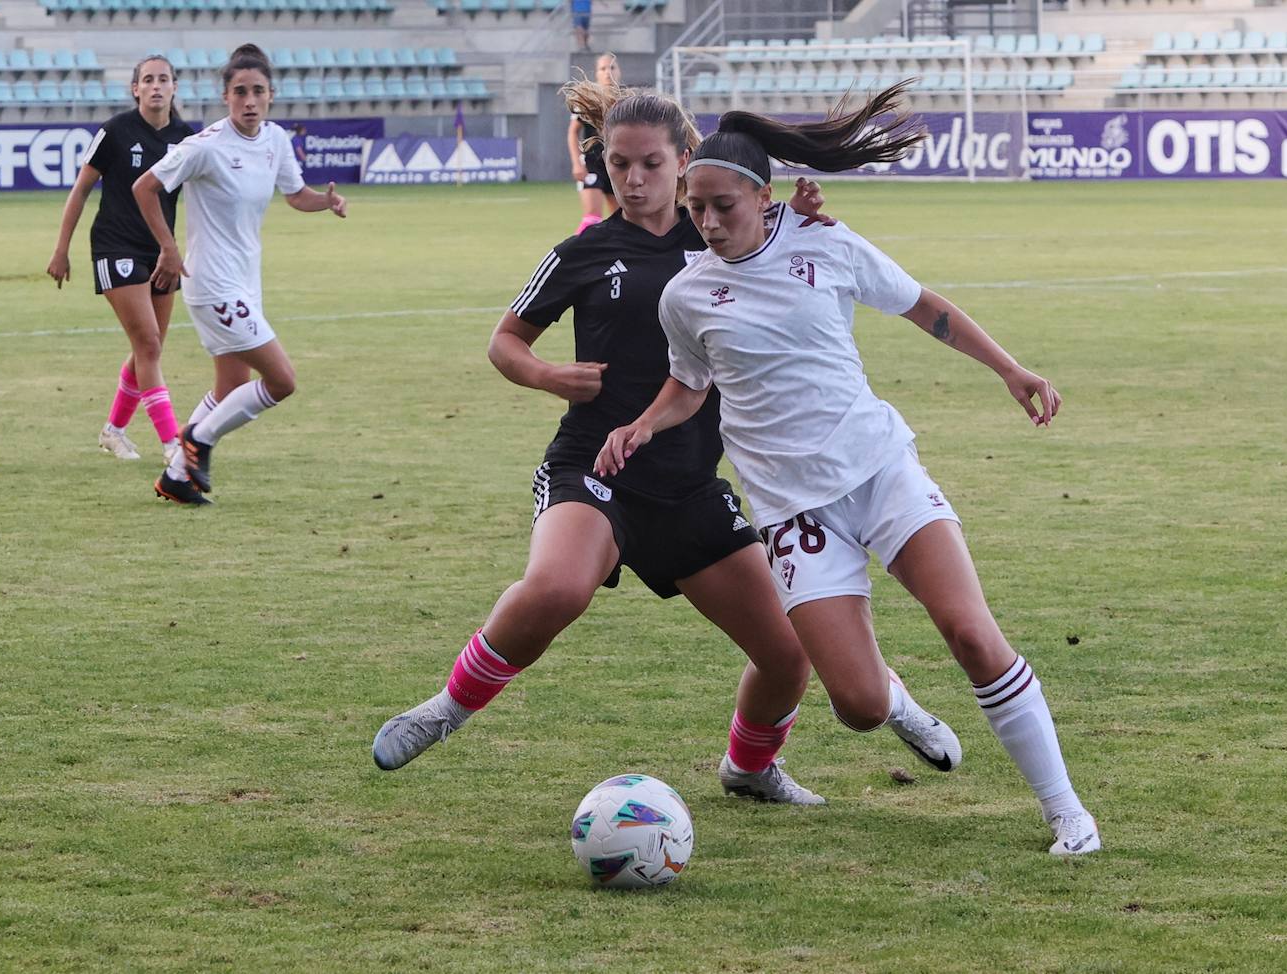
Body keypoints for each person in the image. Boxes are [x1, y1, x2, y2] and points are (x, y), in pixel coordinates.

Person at [372, 84, 961, 805]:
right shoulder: (582, 254)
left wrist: (804, 213)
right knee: (558, 586)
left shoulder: (720, 232)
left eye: (651, 163)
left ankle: (752, 768)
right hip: (595, 469)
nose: (634, 179)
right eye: (619, 164)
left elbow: (794, 243)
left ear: (685, 162)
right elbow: (505, 342)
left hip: (688, 485)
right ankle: (445, 710)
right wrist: (549, 374)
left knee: (788, 654)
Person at [594, 85, 1099, 855]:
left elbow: (923, 306)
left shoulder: (822, 240)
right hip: (793, 512)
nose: (709, 221)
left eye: (724, 205)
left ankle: (1066, 811)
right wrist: (642, 423)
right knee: (859, 706)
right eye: (697, 209)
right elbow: (690, 385)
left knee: (970, 632)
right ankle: (893, 697)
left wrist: (1011, 368)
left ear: (765, 199)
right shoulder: (687, 295)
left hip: (879, 469)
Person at [132, 44, 347, 505]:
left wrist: (325, 202)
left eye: (258, 92)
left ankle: (175, 477)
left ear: (271, 95)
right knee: (281, 380)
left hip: (246, 282)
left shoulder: (274, 139)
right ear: (225, 96)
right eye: (240, 92)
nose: (250, 101)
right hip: (211, 283)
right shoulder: (205, 147)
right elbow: (144, 187)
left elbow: (294, 194)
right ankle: (198, 441)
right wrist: (168, 248)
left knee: (230, 386)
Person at [47, 54, 195, 464]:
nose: (156, 86)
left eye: (164, 79)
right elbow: (80, 189)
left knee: (149, 349)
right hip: (116, 247)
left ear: (174, 87)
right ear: (135, 89)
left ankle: (113, 430)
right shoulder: (115, 131)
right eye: (147, 79)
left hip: (162, 252)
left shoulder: (187, 138)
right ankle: (172, 444)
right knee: (147, 342)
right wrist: (61, 249)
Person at [567, 53, 620, 236]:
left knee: (622, 220)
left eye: (612, 68)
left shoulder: (625, 101)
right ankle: (577, 256)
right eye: (603, 68)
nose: (608, 73)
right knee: (592, 219)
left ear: (619, 71)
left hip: (616, 165)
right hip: (592, 164)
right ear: (596, 73)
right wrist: (577, 163)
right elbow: (573, 131)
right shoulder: (590, 100)